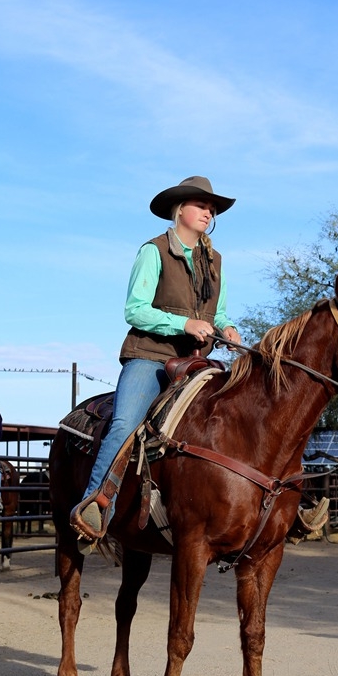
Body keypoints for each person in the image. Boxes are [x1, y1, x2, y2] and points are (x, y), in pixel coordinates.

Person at [71, 175, 242, 545]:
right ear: (180, 210)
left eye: (212, 209)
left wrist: (227, 329)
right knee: (125, 422)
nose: (208, 212)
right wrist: (185, 323)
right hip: (150, 356)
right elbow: (135, 310)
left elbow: (221, 311)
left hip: (196, 363)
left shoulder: (216, 261)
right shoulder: (154, 250)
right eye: (201, 205)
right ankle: (97, 507)